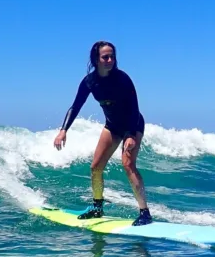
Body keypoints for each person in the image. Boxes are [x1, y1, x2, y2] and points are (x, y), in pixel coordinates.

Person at [52, 41, 152, 225]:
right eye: (105, 57)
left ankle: (144, 212)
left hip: (133, 122)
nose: (110, 60)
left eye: (112, 56)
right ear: (96, 59)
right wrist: (63, 131)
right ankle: (97, 208)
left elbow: (134, 107)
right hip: (112, 126)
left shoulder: (122, 79)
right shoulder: (90, 82)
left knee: (128, 164)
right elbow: (75, 106)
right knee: (95, 167)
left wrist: (130, 134)